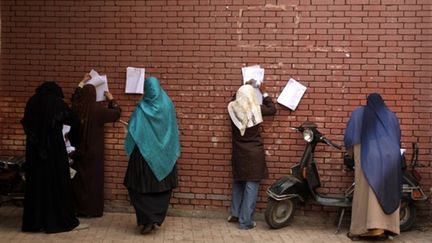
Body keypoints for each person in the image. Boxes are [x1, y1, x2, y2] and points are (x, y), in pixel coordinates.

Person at [21, 81, 86, 233]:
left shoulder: (32, 101)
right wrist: (73, 139)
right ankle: (56, 220)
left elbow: (27, 123)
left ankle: (34, 223)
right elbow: (74, 120)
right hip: (54, 150)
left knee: (36, 184)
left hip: (34, 150)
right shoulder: (56, 102)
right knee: (56, 182)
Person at [123, 76, 180, 235]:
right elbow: (172, 128)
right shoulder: (168, 104)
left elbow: (133, 130)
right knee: (162, 189)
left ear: (146, 89)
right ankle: (154, 218)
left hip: (142, 155)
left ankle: (145, 219)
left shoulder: (141, 107)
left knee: (138, 188)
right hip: (164, 155)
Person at [344, 93, 401, 241]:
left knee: (365, 193)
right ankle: (388, 228)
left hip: (366, 156)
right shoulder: (390, 115)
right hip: (391, 159)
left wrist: (351, 154)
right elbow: (397, 138)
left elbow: (351, 138)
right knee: (388, 189)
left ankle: (362, 228)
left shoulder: (359, 113)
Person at [70, 74, 121, 217]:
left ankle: (78, 208)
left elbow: (74, 98)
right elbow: (117, 113)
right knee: (93, 180)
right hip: (95, 151)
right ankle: (92, 210)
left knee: (79, 181)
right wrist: (111, 99)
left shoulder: (76, 109)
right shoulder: (99, 111)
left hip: (78, 151)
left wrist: (81, 82)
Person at [227, 82, 276, 230]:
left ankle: (235, 213)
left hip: (238, 153)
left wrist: (243, 86)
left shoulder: (232, 109)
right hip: (254, 154)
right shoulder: (256, 110)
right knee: (251, 185)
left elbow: (233, 99)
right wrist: (264, 92)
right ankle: (245, 221)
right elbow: (272, 109)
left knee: (238, 181)